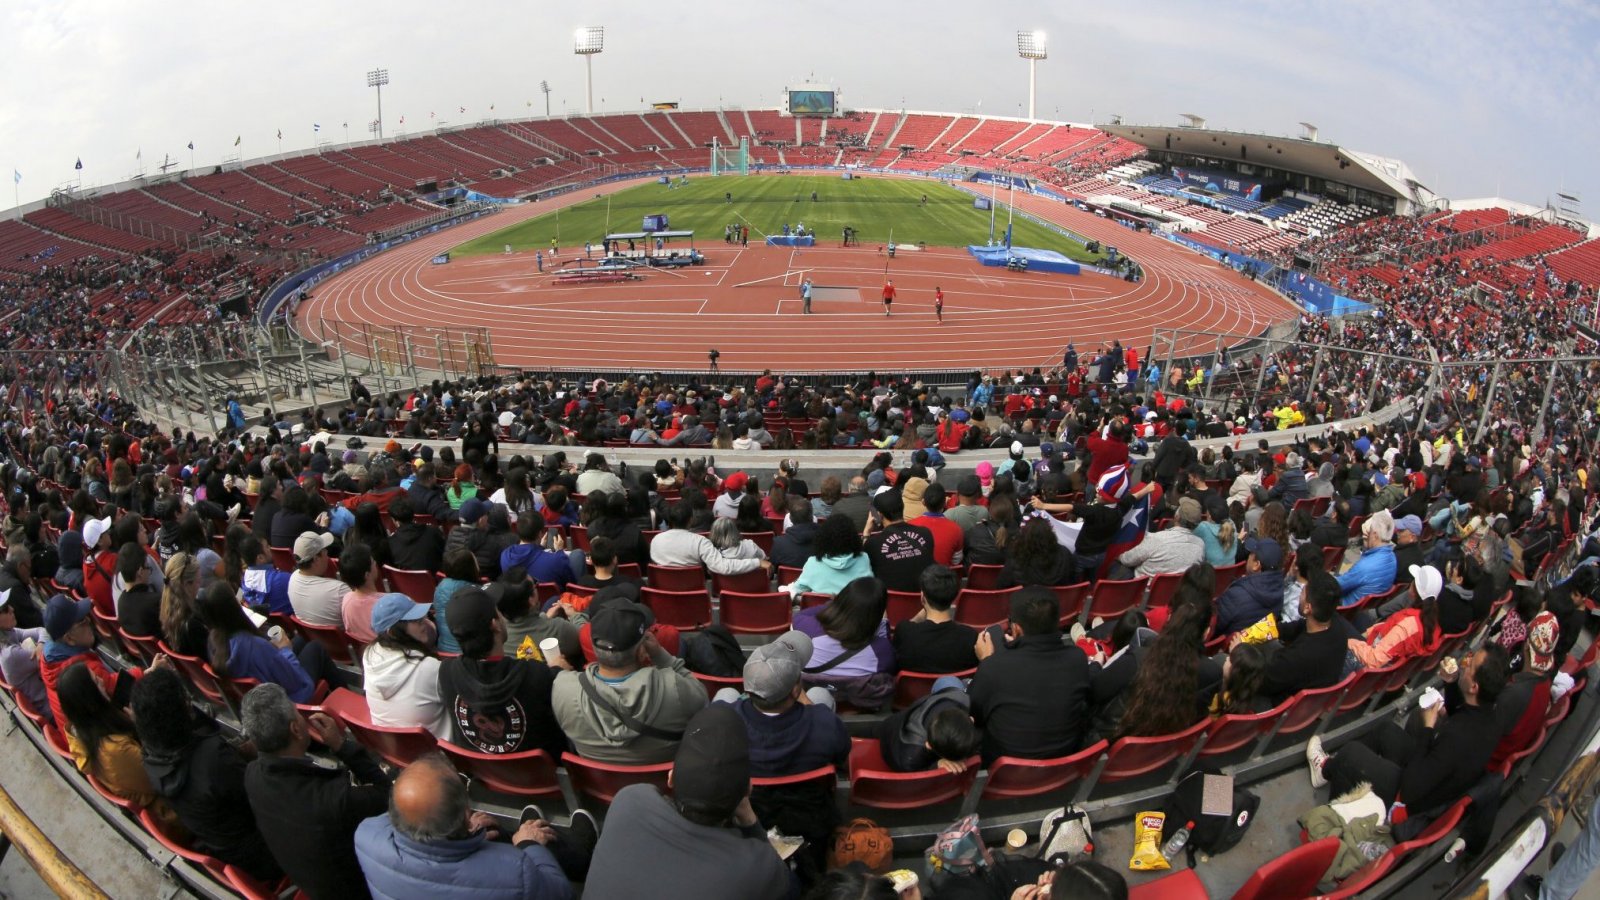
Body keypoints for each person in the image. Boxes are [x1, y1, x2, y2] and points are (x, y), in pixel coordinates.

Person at [582, 704, 797, 900]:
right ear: (747, 791)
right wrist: (750, 820)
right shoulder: (756, 868)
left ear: (671, 778)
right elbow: (783, 882)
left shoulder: (628, 801)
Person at [1308, 644, 1507, 815]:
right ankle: (1337, 770)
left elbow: (1411, 788)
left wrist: (1428, 728)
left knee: (1351, 754)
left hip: (1409, 799)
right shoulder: (1489, 714)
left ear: (1474, 687)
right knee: (1386, 730)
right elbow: (1457, 712)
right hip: (1430, 769)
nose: (1465, 664)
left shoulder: (1460, 736)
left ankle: (1328, 774)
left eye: (1470, 666)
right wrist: (1452, 683)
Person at [353, 753, 582, 900]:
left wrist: (460, 833)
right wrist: (529, 843)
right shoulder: (515, 870)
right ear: (465, 813)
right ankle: (585, 852)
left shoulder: (366, 834)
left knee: (496, 834)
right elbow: (561, 893)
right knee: (548, 845)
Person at [241, 683, 393, 900]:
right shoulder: (332, 800)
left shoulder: (252, 775)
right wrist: (341, 746)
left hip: (311, 882)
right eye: (297, 713)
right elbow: (386, 794)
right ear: (295, 728)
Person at [132, 666, 282, 883]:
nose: (188, 701)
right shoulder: (212, 758)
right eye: (184, 699)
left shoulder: (153, 760)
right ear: (181, 709)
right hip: (266, 849)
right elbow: (266, 790)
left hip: (232, 851)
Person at [551, 597, 707, 764]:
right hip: (662, 785)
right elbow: (702, 697)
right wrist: (661, 655)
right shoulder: (675, 688)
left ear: (594, 649)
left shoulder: (562, 689)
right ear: (642, 651)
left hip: (600, 786)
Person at [438, 587, 567, 761]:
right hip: (541, 780)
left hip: (486, 778)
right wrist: (559, 670)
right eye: (498, 612)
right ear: (495, 624)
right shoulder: (536, 674)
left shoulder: (446, 673)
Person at [969, 587, 1090, 764]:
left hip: (1005, 768)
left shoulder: (994, 667)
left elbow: (975, 714)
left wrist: (988, 661)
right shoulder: (1078, 658)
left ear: (1016, 629)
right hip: (1063, 762)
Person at [57, 661, 177, 821]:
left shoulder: (93, 728)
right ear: (91, 701)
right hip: (173, 809)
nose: (101, 680)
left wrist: (150, 677)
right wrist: (143, 724)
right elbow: (163, 777)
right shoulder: (115, 751)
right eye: (96, 681)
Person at [203, 582, 341, 704]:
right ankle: (344, 698)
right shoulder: (256, 646)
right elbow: (293, 682)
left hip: (263, 698)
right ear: (233, 608)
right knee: (316, 647)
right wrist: (286, 650)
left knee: (301, 639)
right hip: (288, 699)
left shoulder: (213, 643)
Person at [1246, 570, 1358, 704]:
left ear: (1307, 608)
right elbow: (1297, 627)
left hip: (1280, 702)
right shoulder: (1334, 622)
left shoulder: (1298, 656)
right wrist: (1264, 631)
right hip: (1311, 685)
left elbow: (1262, 683)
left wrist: (1238, 654)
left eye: (1302, 593)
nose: (1300, 596)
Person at [41, 593, 143, 729]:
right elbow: (114, 686)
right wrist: (144, 672)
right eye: (82, 621)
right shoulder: (83, 671)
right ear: (69, 639)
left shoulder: (50, 655)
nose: (89, 621)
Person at [363, 593, 450, 739]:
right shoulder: (429, 668)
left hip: (397, 751)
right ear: (393, 632)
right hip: (437, 755)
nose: (423, 620)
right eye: (415, 619)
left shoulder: (370, 655)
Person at [893, 564, 979, 673]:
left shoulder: (904, 631)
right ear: (954, 597)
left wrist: (920, 613)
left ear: (922, 597)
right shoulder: (970, 637)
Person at [650, 499, 769, 577]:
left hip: (662, 595)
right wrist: (757, 562)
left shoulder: (655, 540)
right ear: (691, 520)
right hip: (693, 596)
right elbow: (723, 567)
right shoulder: (700, 542)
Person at [784, 513, 875, 596]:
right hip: (854, 612)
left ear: (824, 538)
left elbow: (797, 589)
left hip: (821, 613)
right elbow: (869, 588)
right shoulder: (864, 558)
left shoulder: (813, 563)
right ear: (853, 537)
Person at [1213, 536, 1287, 635]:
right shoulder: (1280, 592)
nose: (1248, 557)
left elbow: (1213, 625)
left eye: (1251, 554)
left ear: (1256, 565)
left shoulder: (1236, 595)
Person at [863, 490, 934, 593]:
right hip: (924, 602)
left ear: (879, 515)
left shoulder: (872, 543)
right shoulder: (926, 533)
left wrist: (866, 533)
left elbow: (864, 566)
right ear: (902, 508)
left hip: (890, 605)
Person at [0, 587, 51, 719]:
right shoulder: (10, 654)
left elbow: (41, 630)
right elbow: (49, 654)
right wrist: (44, 645)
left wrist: (41, 644)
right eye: (5, 609)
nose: (12, 609)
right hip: (50, 706)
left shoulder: (7, 632)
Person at [1336, 509, 1398, 606]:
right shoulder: (1393, 558)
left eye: (1370, 530)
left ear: (1375, 535)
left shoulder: (1364, 567)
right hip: (1365, 608)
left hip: (1343, 605)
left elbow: (1336, 585)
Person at [287, 531, 347, 627]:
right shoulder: (339, 590)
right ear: (316, 559)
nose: (327, 552)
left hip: (314, 638)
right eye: (324, 550)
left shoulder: (292, 578)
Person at [339, 543, 386, 644]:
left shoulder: (346, 601)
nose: (375, 563)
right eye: (373, 562)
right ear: (367, 574)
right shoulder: (389, 603)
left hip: (368, 655)